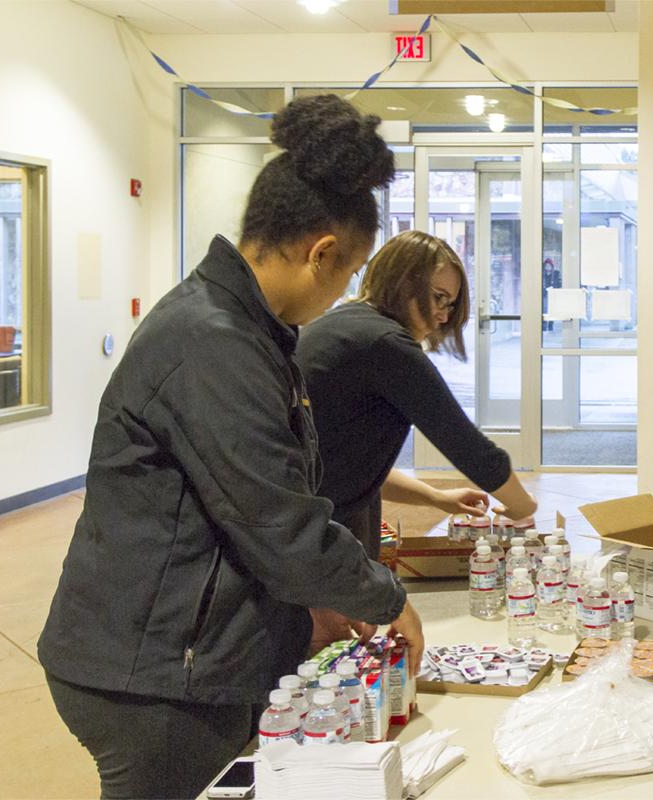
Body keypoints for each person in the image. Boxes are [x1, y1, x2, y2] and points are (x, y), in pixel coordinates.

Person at [37, 95, 422, 799]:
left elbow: (245, 512)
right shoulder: (212, 342)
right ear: (322, 253)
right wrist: (384, 597)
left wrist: (309, 609)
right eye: (348, 276)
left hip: (183, 652)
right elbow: (281, 525)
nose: (341, 296)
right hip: (149, 674)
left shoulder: (245, 331)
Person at [294, 229, 537, 593]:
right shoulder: (385, 345)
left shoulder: (348, 324)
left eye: (450, 305)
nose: (442, 315)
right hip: (316, 537)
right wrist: (523, 507)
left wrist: (435, 498)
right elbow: (469, 448)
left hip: (303, 522)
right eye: (438, 298)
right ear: (403, 283)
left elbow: (343, 459)